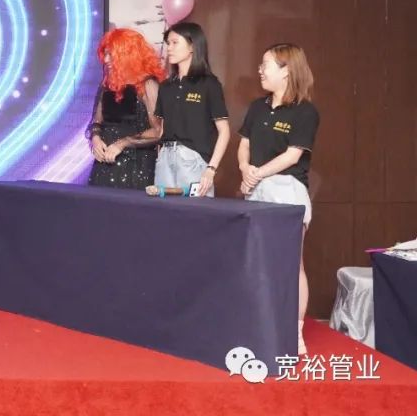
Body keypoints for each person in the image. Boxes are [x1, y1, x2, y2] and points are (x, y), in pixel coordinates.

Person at [238, 43, 319, 355]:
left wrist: (257, 173)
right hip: (255, 191)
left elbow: (293, 155)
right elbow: (244, 145)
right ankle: (259, 327)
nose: (260, 70)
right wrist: (245, 169)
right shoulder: (257, 107)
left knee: (291, 263)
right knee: (256, 262)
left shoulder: (305, 111)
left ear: (287, 70)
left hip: (287, 191)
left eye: (266, 64)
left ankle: (294, 332)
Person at [152, 22, 230, 196]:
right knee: (163, 211)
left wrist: (211, 168)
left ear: (192, 46)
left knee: (194, 211)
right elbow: (162, 127)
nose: (169, 48)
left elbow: (224, 131)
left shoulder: (209, 84)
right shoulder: (165, 87)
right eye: (168, 43)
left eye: (175, 43)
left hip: (193, 160)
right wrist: (160, 156)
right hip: (165, 159)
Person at [87, 28, 165, 190]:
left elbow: (158, 131)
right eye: (105, 54)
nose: (106, 60)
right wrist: (95, 138)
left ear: (127, 55)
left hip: (136, 165)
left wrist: (123, 143)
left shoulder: (147, 85)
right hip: (105, 163)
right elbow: (97, 122)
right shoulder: (107, 85)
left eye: (111, 54)